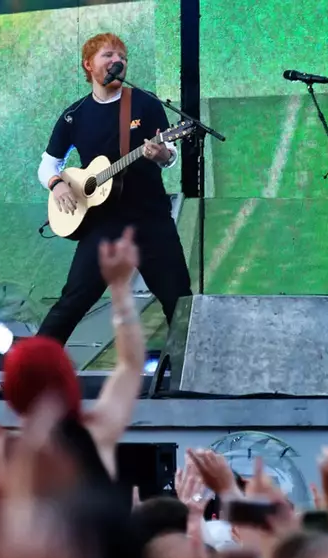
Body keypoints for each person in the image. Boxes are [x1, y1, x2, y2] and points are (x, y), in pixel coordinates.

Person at [37, 32, 192, 345]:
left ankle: (194, 375)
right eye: (108, 55)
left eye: (122, 56)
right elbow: (47, 165)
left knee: (179, 303)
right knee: (73, 301)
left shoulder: (145, 103)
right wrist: (57, 186)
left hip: (150, 220)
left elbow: (169, 153)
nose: (117, 60)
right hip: (102, 224)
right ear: (89, 65)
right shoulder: (74, 115)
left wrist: (163, 155)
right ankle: (32, 369)